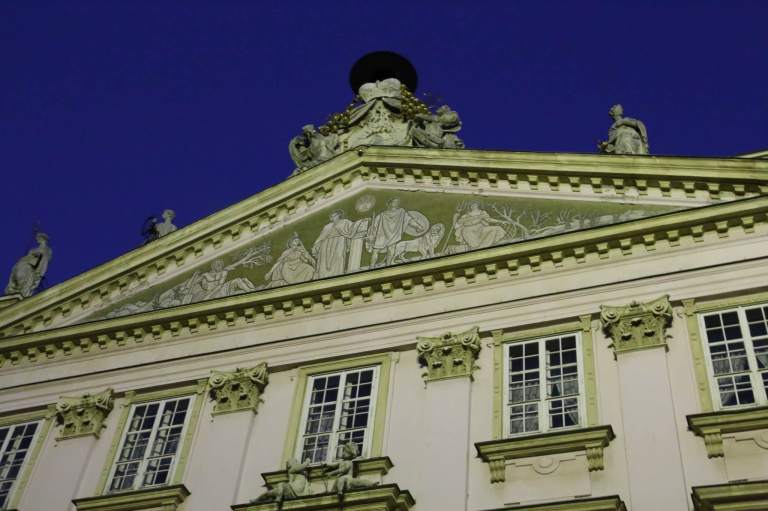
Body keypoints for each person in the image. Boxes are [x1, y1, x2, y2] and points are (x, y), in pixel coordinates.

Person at [366, 198, 428, 267]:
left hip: (394, 234)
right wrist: (371, 234)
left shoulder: (401, 212)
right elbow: (374, 226)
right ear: (389, 203)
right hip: (381, 235)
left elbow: (409, 220)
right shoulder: (382, 214)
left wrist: (418, 227)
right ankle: (371, 267)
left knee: (391, 249)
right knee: (375, 251)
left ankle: (388, 266)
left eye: (397, 202)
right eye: (394, 201)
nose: (396, 203)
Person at [5, 232, 52, 298]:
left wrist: (39, 272)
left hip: (30, 266)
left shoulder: (47, 249)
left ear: (43, 239)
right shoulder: (34, 249)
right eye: (37, 238)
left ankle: (22, 292)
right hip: (23, 262)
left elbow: (44, 259)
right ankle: (15, 289)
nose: (37, 240)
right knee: (16, 273)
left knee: (24, 279)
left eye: (38, 238)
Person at [312, 210, 356, 278]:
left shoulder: (345, 222)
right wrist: (317, 245)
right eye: (331, 216)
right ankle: (323, 276)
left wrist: (362, 221)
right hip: (326, 245)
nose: (332, 217)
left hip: (339, 242)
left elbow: (354, 227)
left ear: (339, 215)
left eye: (334, 215)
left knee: (339, 257)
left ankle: (338, 274)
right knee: (324, 261)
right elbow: (321, 237)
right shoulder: (327, 226)